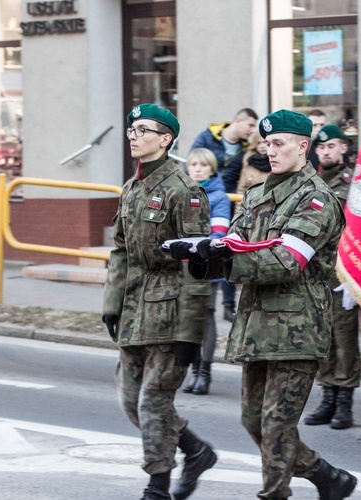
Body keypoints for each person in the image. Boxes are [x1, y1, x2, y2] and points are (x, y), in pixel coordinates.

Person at [173, 110, 357, 499]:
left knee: (276, 426)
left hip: (297, 326)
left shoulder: (318, 199)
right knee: (253, 421)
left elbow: (288, 261)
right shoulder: (257, 194)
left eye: (279, 144)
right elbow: (233, 243)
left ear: (303, 147)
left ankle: (275, 494)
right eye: (266, 143)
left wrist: (227, 260)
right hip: (257, 323)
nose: (269, 150)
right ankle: (326, 476)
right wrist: (202, 253)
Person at [102, 103, 217, 500]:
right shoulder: (132, 188)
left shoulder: (184, 192)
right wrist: (111, 302)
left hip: (171, 311)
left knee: (153, 401)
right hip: (135, 309)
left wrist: (191, 332)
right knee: (130, 400)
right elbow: (120, 251)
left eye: (143, 129)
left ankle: (158, 486)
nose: (133, 134)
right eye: (132, 128)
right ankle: (195, 450)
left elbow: (198, 262)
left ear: (165, 139)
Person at [303, 124, 361, 430]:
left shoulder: (354, 183)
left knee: (344, 338)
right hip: (314, 272)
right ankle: (327, 396)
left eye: (332, 146)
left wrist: (356, 271)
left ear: (344, 149)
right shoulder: (308, 180)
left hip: (342, 271)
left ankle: (344, 402)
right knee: (320, 337)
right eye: (321, 147)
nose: (325, 151)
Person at [190, 107, 258, 322]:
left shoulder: (245, 148)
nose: (251, 130)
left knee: (226, 252)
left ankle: (228, 304)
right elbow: (192, 161)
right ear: (238, 120)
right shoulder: (209, 137)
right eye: (250, 125)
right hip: (207, 197)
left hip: (228, 201)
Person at [181, 148, 230, 396]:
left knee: (206, 318)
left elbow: (219, 233)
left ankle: (205, 374)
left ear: (212, 169)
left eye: (203, 165)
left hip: (205, 265)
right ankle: (194, 369)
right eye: (193, 164)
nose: (197, 169)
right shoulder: (178, 192)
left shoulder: (219, 196)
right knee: (187, 320)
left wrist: (193, 246)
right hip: (180, 266)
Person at [235, 133, 271, 211]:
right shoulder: (248, 165)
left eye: (265, 142)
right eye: (258, 143)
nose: (262, 146)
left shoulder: (277, 164)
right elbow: (241, 191)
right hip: (250, 209)